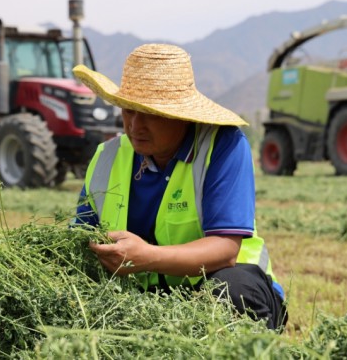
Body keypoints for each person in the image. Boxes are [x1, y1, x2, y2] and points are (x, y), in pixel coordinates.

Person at [72, 43, 287, 330]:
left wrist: (146, 258)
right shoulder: (106, 158)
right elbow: (79, 241)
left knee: (231, 290)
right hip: (140, 301)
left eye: (149, 112)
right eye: (129, 111)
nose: (136, 125)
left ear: (181, 115)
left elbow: (225, 250)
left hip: (216, 288)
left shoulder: (222, 147)